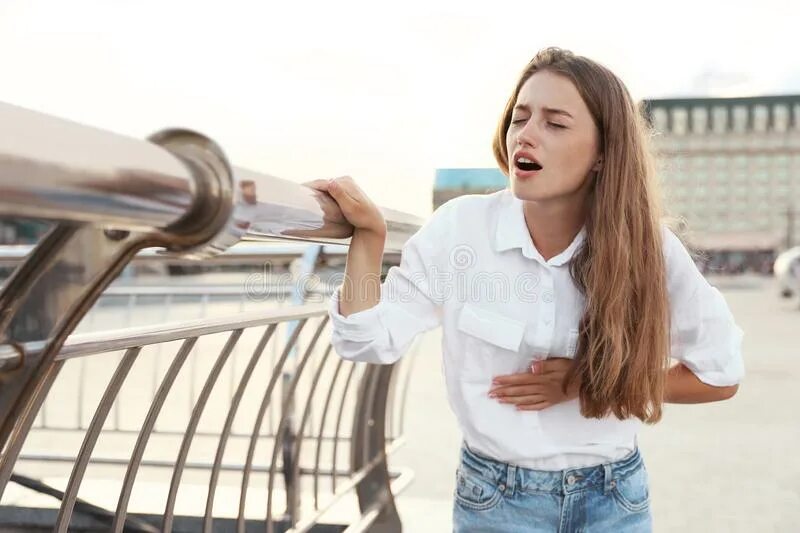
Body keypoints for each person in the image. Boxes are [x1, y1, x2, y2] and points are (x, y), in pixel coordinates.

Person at [309, 47, 744, 532]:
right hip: (494, 500)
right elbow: (365, 340)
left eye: (555, 124)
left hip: (614, 500)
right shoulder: (460, 230)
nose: (527, 134)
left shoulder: (650, 249)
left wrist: (587, 384)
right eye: (520, 117)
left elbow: (720, 375)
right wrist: (369, 238)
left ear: (603, 153)